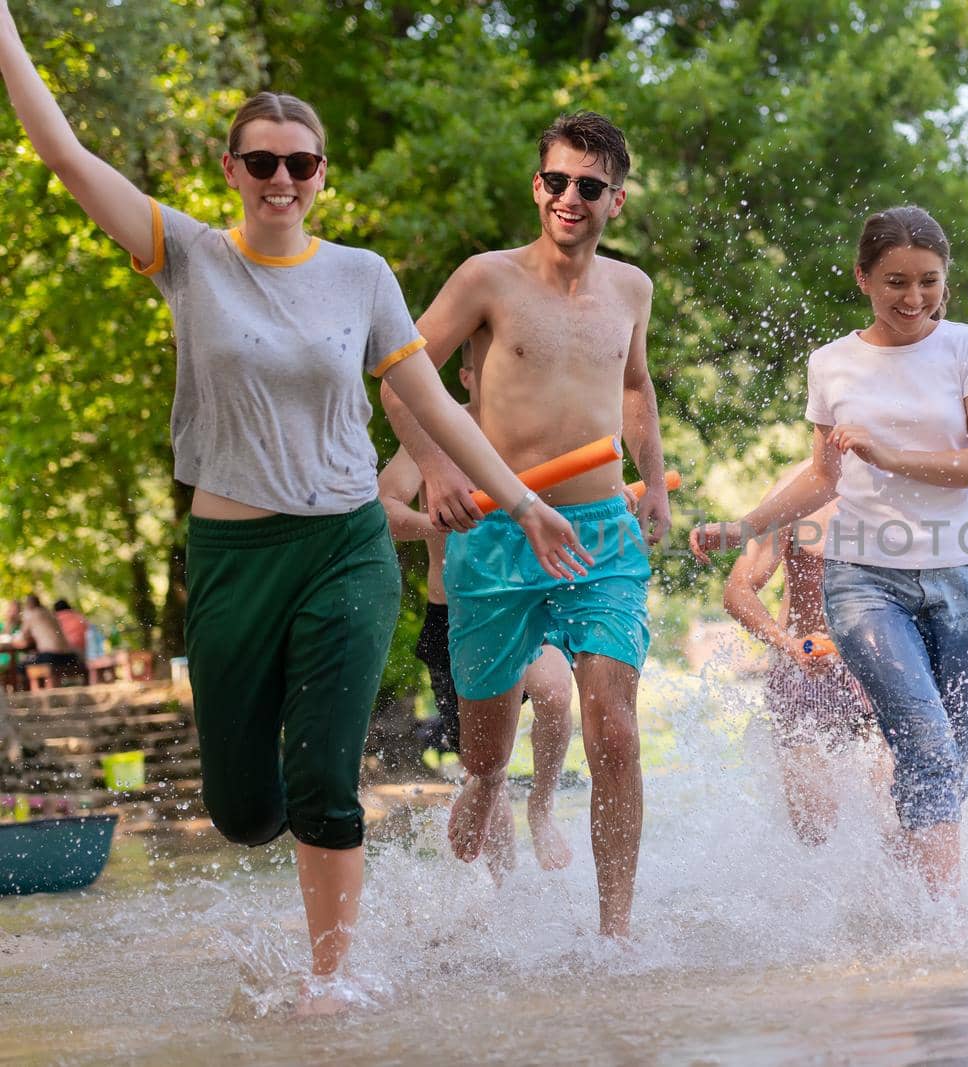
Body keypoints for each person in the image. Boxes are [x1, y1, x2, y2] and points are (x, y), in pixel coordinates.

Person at [0, 5, 591, 1007]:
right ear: (231, 170)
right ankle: (296, 872)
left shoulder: (361, 278)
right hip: (233, 556)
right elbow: (61, 151)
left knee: (325, 773)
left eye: (300, 164)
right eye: (262, 162)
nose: (282, 180)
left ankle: (334, 976)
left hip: (344, 548)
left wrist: (522, 501)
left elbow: (431, 400)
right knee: (240, 808)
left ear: (322, 176)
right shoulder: (187, 255)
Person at [380, 111, 669, 937]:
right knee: (484, 756)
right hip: (496, 539)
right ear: (536, 185)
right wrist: (437, 469)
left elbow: (637, 387)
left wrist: (654, 484)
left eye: (588, 186)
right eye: (555, 181)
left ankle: (616, 931)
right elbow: (399, 378)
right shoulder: (487, 279)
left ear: (616, 197)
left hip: (600, 534)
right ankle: (481, 795)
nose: (568, 197)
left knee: (613, 729)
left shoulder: (633, 288)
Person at [692, 206, 968, 898]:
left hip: (960, 576)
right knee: (925, 740)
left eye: (930, 281)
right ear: (862, 277)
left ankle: (902, 893)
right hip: (865, 581)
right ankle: (948, 921)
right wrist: (741, 527)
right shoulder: (831, 363)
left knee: (947, 757)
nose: (915, 298)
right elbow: (822, 479)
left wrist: (890, 454)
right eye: (896, 281)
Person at [377, 336, 579, 869]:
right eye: (482, 370)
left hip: (533, 604)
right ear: (464, 378)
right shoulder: (431, 437)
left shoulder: (541, 434)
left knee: (557, 690)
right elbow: (382, 506)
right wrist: (432, 522)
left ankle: (541, 807)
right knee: (486, 766)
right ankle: (503, 895)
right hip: (457, 618)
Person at [722, 462, 889, 846]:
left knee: (895, 815)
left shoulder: (901, 486)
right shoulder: (794, 496)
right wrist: (787, 645)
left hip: (880, 667)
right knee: (817, 830)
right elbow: (738, 591)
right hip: (805, 673)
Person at [16, 594, 83, 678]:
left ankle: (35, 689)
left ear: (28, 605)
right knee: (33, 659)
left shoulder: (32, 614)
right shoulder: (50, 613)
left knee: (21, 666)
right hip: (69, 656)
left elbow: (20, 638)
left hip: (52, 656)